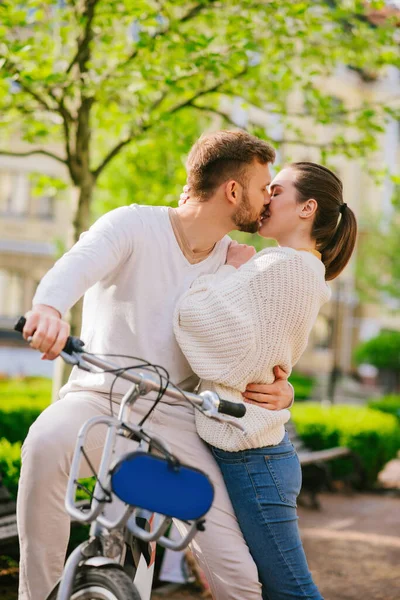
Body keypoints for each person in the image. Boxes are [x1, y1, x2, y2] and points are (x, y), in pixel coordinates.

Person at [17, 130, 294, 600]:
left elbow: (259, 352)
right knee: (44, 443)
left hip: (182, 417)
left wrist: (281, 389)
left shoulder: (241, 262)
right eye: (264, 186)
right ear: (232, 191)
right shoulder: (133, 225)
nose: (269, 198)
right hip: (99, 397)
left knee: (239, 574)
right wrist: (48, 308)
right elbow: (77, 264)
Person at [174, 161, 358, 600]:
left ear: (306, 207)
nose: (266, 198)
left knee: (290, 589)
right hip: (257, 454)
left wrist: (225, 269)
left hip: (252, 458)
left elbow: (202, 324)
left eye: (276, 190)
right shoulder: (298, 267)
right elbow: (265, 357)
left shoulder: (282, 267)